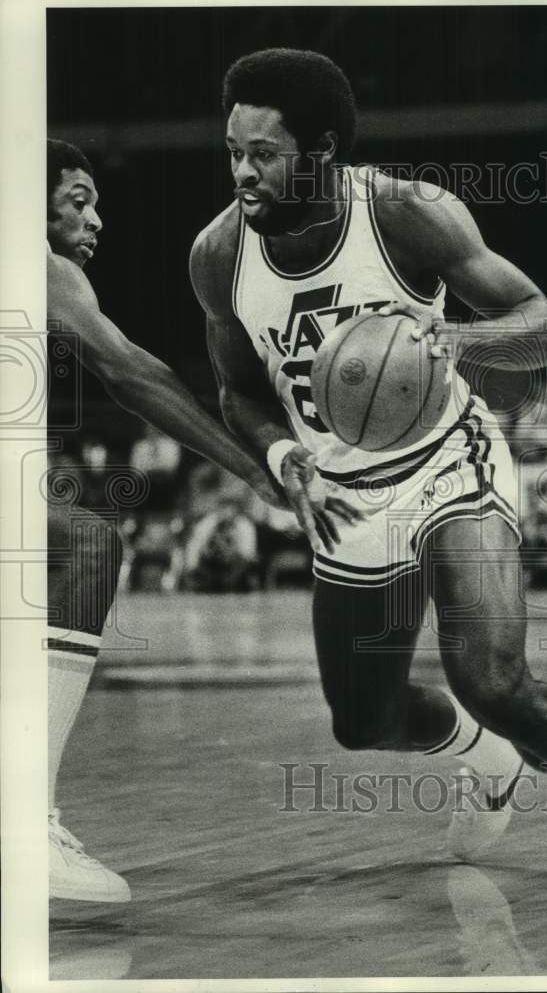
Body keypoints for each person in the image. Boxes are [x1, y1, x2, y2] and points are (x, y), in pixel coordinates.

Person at [190, 49, 547, 920]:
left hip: (448, 462)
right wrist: (286, 461)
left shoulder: (405, 214)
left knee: (492, 678)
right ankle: (485, 758)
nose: (243, 171)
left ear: (319, 153)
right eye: (233, 150)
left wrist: (459, 342)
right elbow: (236, 391)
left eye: (264, 154)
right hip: (343, 492)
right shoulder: (218, 255)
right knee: (362, 723)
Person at [45, 138, 360, 902]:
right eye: (78, 200)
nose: (97, 217)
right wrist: (257, 468)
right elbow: (132, 373)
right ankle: (23, 823)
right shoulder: (30, 260)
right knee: (83, 546)